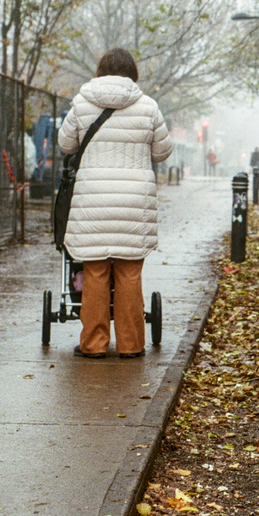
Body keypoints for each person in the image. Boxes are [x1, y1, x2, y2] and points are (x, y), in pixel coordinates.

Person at [58, 48, 173, 359]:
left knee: (94, 271)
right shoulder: (148, 107)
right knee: (129, 272)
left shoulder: (82, 104)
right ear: (132, 73)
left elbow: (66, 144)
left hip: (93, 199)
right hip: (134, 202)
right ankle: (131, 345)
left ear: (100, 71)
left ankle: (93, 345)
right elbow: (163, 152)